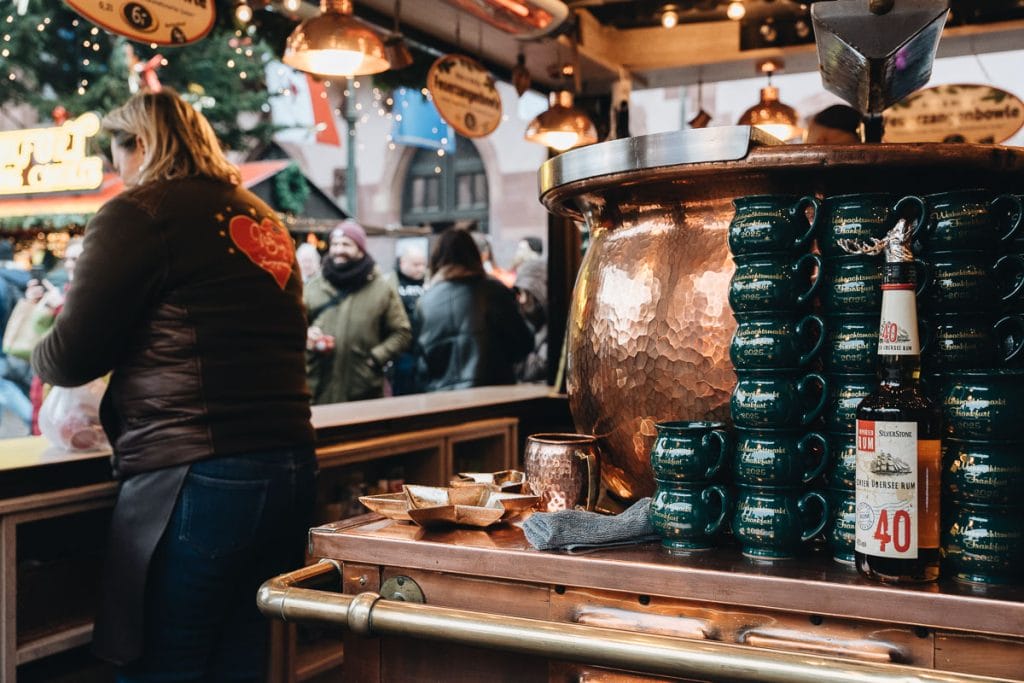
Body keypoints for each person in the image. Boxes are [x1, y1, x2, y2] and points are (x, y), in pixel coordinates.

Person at [30, 89, 316, 680]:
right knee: (242, 654)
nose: (117, 169)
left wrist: (37, 330)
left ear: (140, 145)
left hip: (197, 470)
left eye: (118, 151)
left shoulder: (140, 212)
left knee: (165, 661)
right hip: (291, 465)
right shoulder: (261, 216)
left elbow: (68, 358)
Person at [414, 229, 534, 391]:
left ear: (436, 259)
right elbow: (522, 344)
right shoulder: (496, 291)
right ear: (474, 255)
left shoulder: (425, 302)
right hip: (494, 396)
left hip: (443, 401)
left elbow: (422, 364)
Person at [305, 220, 411, 404]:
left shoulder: (381, 289)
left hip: (363, 390)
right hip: (318, 388)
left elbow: (402, 332)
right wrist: (306, 336)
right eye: (335, 244)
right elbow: (293, 327)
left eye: (346, 244)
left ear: (361, 249)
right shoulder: (313, 287)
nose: (339, 250)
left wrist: (376, 358)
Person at [384, 240, 427, 395]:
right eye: (416, 265)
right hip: (402, 350)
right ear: (403, 263)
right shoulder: (389, 282)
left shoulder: (430, 282)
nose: (420, 269)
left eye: (423, 264)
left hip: (425, 347)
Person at [513, 257, 548, 384]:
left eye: (525, 293)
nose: (521, 300)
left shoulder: (552, 327)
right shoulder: (531, 322)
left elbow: (537, 368)